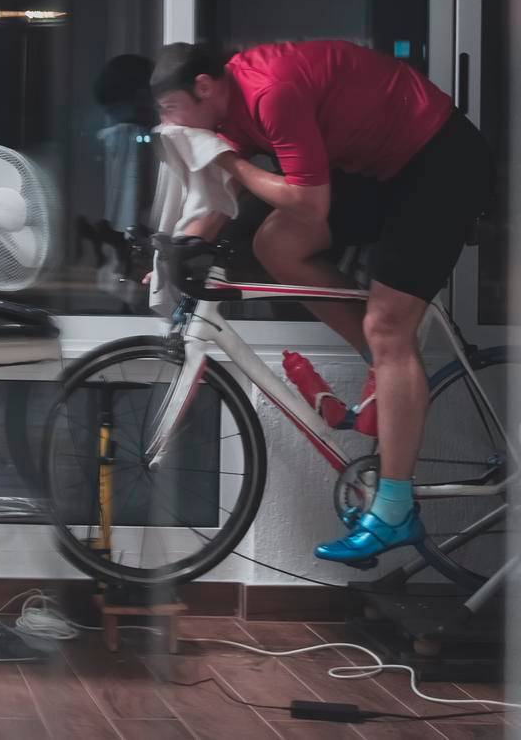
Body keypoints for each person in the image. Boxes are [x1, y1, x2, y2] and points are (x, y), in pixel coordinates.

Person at [150, 39, 493, 565]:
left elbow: (309, 201)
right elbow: (225, 198)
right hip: (387, 168)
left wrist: (231, 161)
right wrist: (177, 247)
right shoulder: (227, 105)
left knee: (388, 328)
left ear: (203, 88)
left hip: (440, 158)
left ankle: (396, 510)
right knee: (274, 244)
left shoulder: (270, 92)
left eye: (174, 111)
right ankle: (382, 365)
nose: (173, 124)